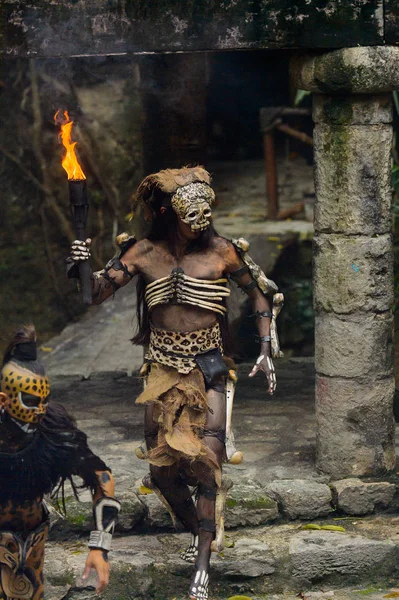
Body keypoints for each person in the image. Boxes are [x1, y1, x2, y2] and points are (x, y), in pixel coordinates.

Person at [68, 166, 282, 600]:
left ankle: (202, 568)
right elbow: (93, 294)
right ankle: (201, 529)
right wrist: (81, 259)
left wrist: (264, 347)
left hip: (210, 369)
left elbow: (259, 293)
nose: (199, 222)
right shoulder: (143, 252)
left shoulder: (223, 252)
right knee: (163, 473)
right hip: (162, 369)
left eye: (205, 212)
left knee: (206, 460)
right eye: (190, 214)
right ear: (167, 212)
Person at [0, 324, 120, 600]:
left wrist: (99, 547)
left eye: (45, 399)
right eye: (31, 400)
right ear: (4, 400)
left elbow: (102, 477)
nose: (40, 408)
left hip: (28, 546)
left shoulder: (53, 430)